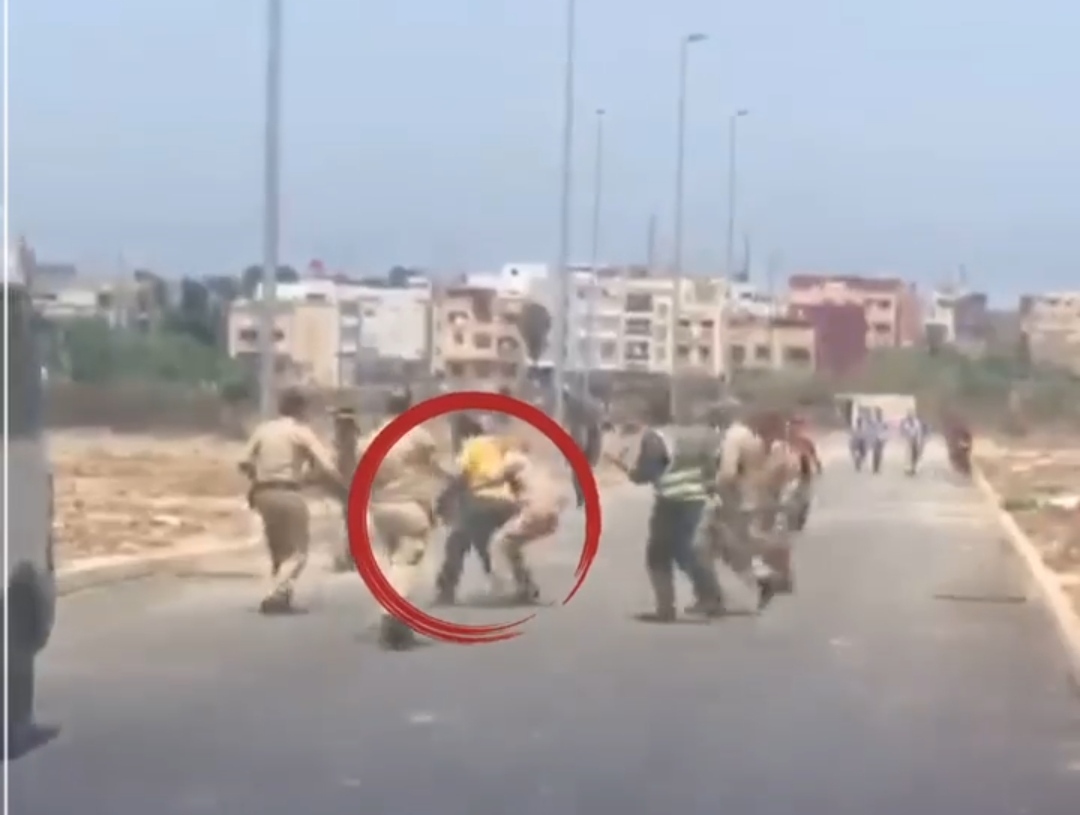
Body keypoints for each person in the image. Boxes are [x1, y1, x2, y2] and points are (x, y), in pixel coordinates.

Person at [358, 387, 451, 650]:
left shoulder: (370, 438)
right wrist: (452, 480)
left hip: (380, 508)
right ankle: (391, 614)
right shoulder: (415, 433)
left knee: (394, 563)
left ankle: (397, 618)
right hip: (410, 507)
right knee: (407, 562)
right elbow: (436, 464)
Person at [239, 387, 346, 615]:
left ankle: (281, 595)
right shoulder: (301, 432)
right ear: (300, 408)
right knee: (298, 552)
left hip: (262, 493)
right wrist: (340, 487)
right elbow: (327, 466)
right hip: (288, 491)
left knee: (278, 549)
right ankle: (275, 595)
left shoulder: (264, 429)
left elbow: (244, 462)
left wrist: (257, 478)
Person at [621, 391, 725, 623]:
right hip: (697, 499)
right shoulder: (705, 435)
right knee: (687, 551)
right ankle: (711, 597)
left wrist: (631, 472)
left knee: (658, 555)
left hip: (670, 500)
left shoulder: (656, 437)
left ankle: (665, 608)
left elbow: (648, 472)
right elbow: (712, 468)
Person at [434, 414, 519, 605]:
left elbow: (461, 477)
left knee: (457, 542)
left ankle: (446, 591)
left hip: (482, 501)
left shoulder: (472, 445)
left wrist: (444, 498)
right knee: (498, 543)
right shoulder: (496, 445)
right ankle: (523, 585)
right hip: (506, 502)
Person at [482, 435, 567, 604]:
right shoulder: (534, 465)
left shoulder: (513, 459)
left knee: (498, 543)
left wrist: (474, 483)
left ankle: (501, 586)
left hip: (535, 511)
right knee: (511, 545)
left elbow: (493, 478)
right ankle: (526, 587)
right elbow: (561, 495)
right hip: (551, 513)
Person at [786, 414, 822, 531]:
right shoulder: (786, 441)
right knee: (790, 497)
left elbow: (814, 456)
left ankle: (801, 517)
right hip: (790, 474)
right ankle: (789, 517)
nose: (796, 428)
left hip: (805, 474)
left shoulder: (806, 442)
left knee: (805, 499)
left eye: (799, 425)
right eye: (794, 425)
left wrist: (818, 466)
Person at [899, 409, 927, 475]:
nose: (910, 417)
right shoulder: (905, 423)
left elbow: (919, 432)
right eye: (909, 415)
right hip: (908, 440)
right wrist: (906, 436)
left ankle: (914, 468)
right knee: (908, 455)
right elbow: (903, 431)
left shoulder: (917, 422)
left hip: (916, 440)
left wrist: (919, 440)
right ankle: (908, 468)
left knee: (915, 455)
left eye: (911, 415)